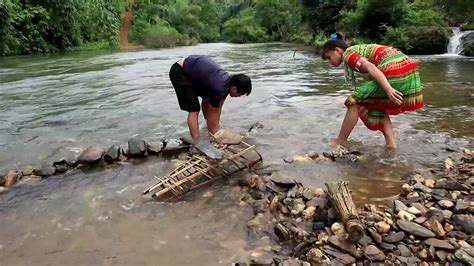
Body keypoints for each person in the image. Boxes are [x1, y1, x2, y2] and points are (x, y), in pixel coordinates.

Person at [321, 37, 423, 149]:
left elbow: (370, 67)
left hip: (393, 68)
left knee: (353, 102)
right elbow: (373, 72)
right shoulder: (357, 50)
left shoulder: (348, 54)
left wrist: (388, 88)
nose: (330, 62)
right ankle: (391, 146)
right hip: (406, 67)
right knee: (377, 106)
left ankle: (341, 141)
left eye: (329, 58)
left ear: (337, 50)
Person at [169, 55, 252, 143]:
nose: (240, 96)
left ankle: (206, 128)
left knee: (207, 99)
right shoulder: (219, 88)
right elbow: (214, 111)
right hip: (180, 71)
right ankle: (197, 141)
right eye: (241, 94)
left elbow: (218, 107)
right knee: (194, 109)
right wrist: (217, 133)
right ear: (234, 88)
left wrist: (215, 127)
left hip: (195, 72)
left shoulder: (227, 84)